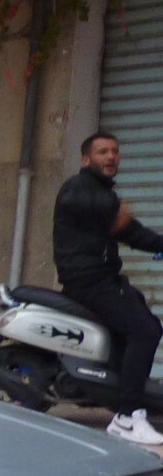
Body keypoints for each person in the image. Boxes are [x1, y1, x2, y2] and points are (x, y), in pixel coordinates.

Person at [53, 131, 163, 445]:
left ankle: (123, 395)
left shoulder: (99, 193)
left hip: (102, 277)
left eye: (115, 151)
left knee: (138, 321)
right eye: (103, 152)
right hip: (88, 279)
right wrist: (122, 220)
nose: (111, 157)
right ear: (86, 159)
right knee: (145, 331)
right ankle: (127, 417)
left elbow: (125, 228)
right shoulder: (79, 188)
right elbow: (129, 231)